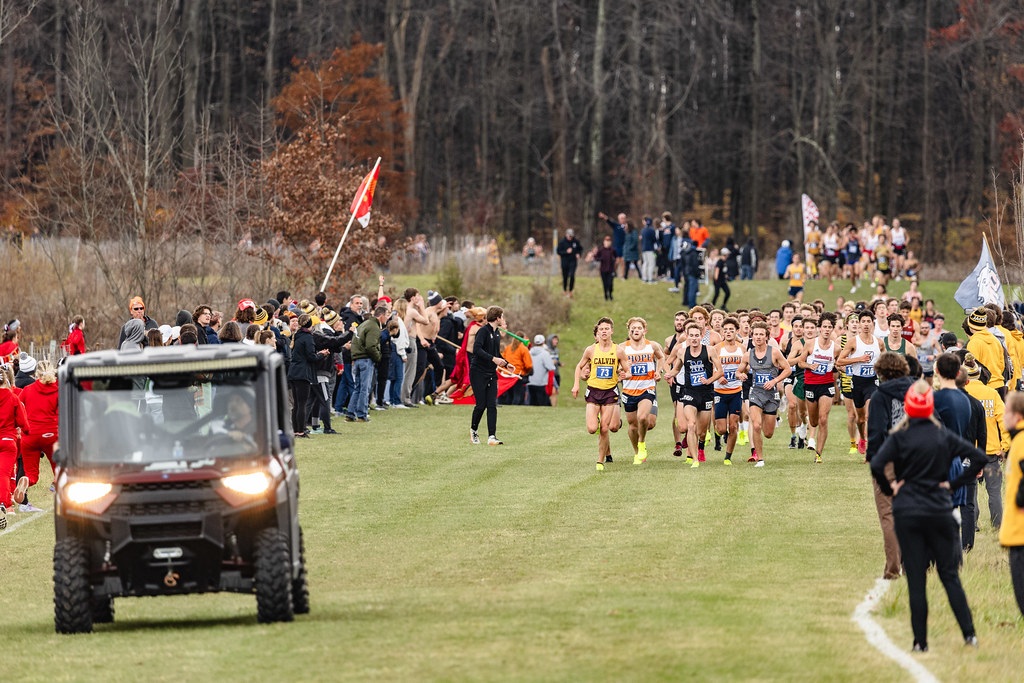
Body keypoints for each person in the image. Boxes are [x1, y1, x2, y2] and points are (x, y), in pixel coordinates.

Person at [870, 379, 985, 652]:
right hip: (939, 509)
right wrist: (952, 485)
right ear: (931, 406)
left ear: (908, 407)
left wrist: (892, 487)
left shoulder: (899, 436)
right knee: (949, 575)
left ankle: (920, 643)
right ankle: (969, 635)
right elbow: (979, 457)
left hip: (908, 511)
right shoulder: (942, 435)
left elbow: (876, 463)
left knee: (917, 581)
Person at [865, 352, 915, 580]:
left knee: (889, 513)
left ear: (881, 372)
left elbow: (876, 431)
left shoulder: (879, 396)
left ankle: (893, 568)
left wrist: (873, 456)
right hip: (917, 457)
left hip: (889, 458)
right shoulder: (919, 391)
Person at [572, 317, 629, 470]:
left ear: (611, 331)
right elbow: (579, 367)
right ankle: (598, 423)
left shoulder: (618, 350)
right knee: (592, 428)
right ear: (597, 333)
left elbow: (628, 371)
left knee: (605, 428)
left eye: (606, 329)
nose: (604, 331)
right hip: (593, 390)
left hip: (610, 392)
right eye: (601, 329)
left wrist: (625, 375)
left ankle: (600, 460)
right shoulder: (591, 350)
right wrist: (576, 384)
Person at [665, 321, 723, 468]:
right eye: (691, 336)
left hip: (706, 393)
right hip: (689, 393)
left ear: (701, 337)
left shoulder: (709, 350)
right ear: (687, 336)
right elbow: (677, 369)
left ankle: (700, 446)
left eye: (697, 335)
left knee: (701, 431)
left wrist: (709, 380)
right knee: (691, 425)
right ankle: (694, 460)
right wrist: (669, 374)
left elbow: (720, 371)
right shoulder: (682, 352)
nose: (694, 338)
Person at [962, 354, 1008, 531]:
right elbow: (1004, 420)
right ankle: (997, 524)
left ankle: (972, 523)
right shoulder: (992, 394)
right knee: (994, 491)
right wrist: (1004, 446)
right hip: (991, 450)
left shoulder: (962, 395)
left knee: (971, 490)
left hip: (968, 451)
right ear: (979, 374)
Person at [735, 320, 790, 466]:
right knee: (756, 425)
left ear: (767, 336)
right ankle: (760, 458)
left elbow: (788, 369)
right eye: (756, 334)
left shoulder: (775, 352)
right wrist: (740, 375)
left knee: (768, 433)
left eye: (761, 334)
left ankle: (770, 418)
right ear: (752, 336)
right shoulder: (748, 354)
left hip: (771, 395)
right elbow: (738, 371)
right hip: (755, 393)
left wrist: (774, 381)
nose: (758, 337)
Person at [836, 310, 884, 455]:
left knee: (870, 416)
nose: (866, 324)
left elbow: (885, 359)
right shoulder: (853, 342)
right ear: (859, 324)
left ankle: (871, 445)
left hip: (872, 382)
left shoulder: (879, 342)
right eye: (863, 321)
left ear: (872, 324)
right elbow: (839, 361)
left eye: (868, 321)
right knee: (860, 419)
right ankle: (862, 438)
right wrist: (858, 359)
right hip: (857, 382)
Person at [620, 318, 666, 465]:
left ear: (644, 330)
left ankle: (642, 441)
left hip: (647, 388)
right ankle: (637, 451)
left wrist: (658, 371)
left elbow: (661, 357)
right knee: (632, 426)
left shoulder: (652, 346)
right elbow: (616, 367)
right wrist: (621, 369)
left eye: (639, 328)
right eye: (633, 328)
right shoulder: (622, 348)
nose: (636, 330)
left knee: (642, 418)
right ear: (629, 331)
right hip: (628, 390)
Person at [797, 313, 840, 462]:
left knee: (823, 419)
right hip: (810, 384)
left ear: (832, 329)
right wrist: (810, 365)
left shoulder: (836, 348)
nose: (827, 330)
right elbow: (800, 363)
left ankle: (819, 454)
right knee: (814, 421)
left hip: (826, 385)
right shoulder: (810, 344)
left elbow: (838, 364)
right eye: (824, 327)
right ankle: (810, 427)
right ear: (819, 328)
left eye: (830, 327)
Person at [18, 360, 58, 510]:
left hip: (30, 435)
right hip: (51, 434)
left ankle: (26, 481)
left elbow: (18, 408)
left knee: (32, 473)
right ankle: (56, 485)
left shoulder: (27, 390)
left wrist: (20, 427)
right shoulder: (58, 390)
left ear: (36, 374)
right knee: (60, 468)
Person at [999, 390, 1024, 619]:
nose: (1003, 416)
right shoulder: (1017, 440)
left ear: (1017, 416)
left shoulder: (1022, 442)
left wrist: (1020, 497)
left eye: (1006, 411)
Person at [470, 306, 510, 445]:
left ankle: (491, 437)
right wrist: (493, 359)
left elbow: (496, 353)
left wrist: (506, 364)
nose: (503, 319)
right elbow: (477, 349)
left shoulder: (497, 332)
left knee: (492, 405)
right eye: (502, 316)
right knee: (481, 405)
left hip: (491, 373)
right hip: (478, 372)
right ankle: (473, 431)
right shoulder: (483, 331)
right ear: (498, 318)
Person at [0, 369, 29, 529]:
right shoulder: (12, 397)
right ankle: (6, 504)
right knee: (4, 473)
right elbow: (23, 422)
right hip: (7, 439)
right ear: (6, 380)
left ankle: (7, 499)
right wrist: (26, 431)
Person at [349, 306, 387, 423]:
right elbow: (371, 346)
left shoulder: (363, 324)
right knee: (365, 388)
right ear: (381, 316)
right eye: (386, 315)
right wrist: (378, 357)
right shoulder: (374, 326)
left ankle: (350, 413)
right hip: (366, 359)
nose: (387, 318)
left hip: (357, 359)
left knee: (358, 388)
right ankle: (362, 415)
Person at [287, 314, 317, 437]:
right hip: (302, 373)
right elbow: (311, 356)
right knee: (302, 403)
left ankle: (296, 430)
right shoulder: (308, 337)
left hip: (293, 372)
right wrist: (321, 355)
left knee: (296, 405)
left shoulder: (296, 336)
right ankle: (301, 430)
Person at [527, 335, 556, 407]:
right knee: (542, 404)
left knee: (532, 403)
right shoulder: (545, 353)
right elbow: (551, 367)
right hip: (541, 383)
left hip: (530, 382)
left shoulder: (529, 352)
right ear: (543, 342)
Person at [556, 229, 582, 297]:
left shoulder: (576, 242)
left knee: (572, 275)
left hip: (573, 261)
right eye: (569, 236)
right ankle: (564, 290)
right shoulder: (562, 243)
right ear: (566, 235)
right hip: (565, 262)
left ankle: (570, 291)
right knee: (565, 277)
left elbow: (580, 249)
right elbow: (558, 252)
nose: (570, 237)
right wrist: (566, 252)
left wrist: (578, 254)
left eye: (571, 236)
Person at [596, 235, 616, 301]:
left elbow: (616, 257)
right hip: (603, 270)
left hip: (611, 270)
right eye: (606, 241)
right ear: (604, 242)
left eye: (609, 241)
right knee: (605, 284)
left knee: (610, 284)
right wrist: (600, 259)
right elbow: (596, 257)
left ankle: (610, 294)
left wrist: (614, 260)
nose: (607, 243)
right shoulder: (601, 250)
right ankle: (605, 295)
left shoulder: (612, 250)